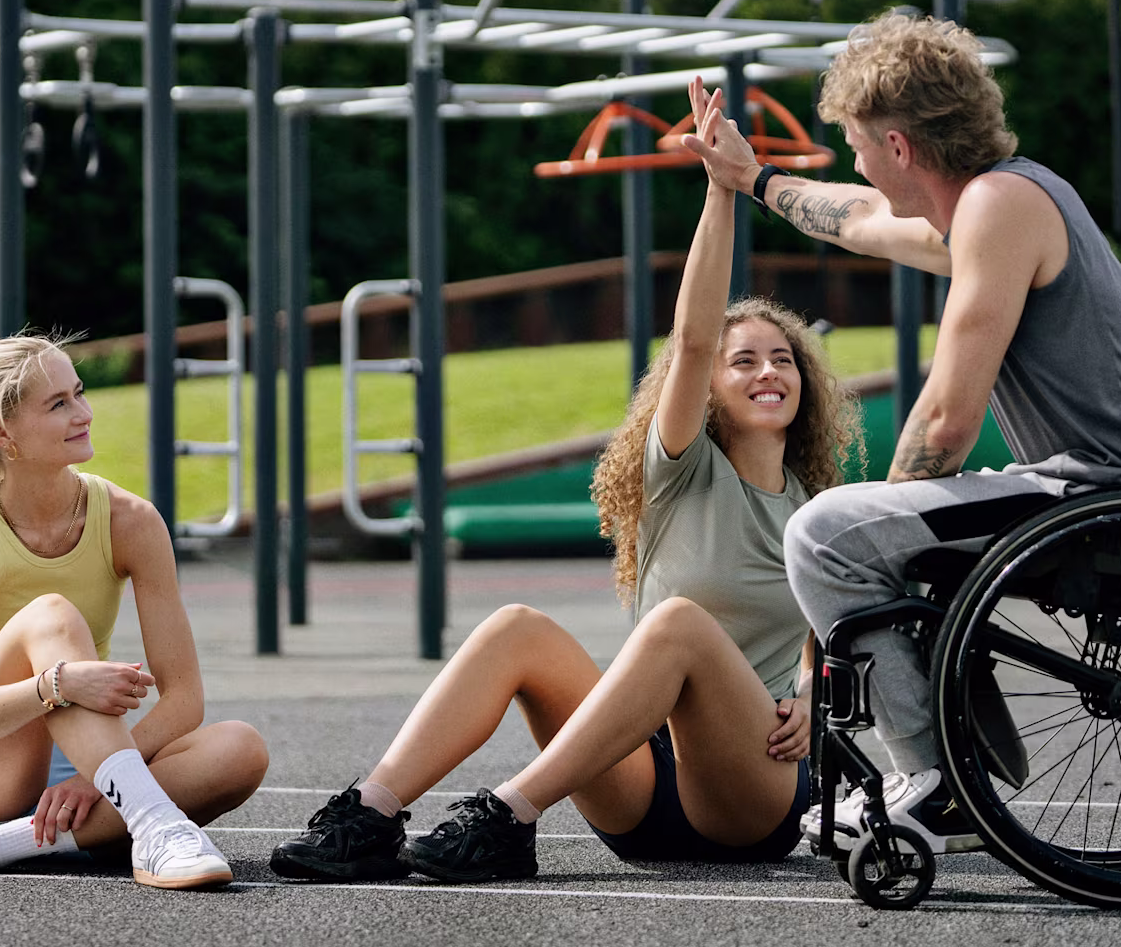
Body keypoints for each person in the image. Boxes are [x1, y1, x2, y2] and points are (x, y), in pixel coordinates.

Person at [269, 95, 862, 884]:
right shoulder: (682, 467)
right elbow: (690, 338)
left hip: (751, 793)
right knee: (517, 626)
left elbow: (843, 644)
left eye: (783, 359)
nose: (768, 372)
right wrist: (721, 188)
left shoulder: (812, 514)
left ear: (806, 384)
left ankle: (508, 813)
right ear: (710, 390)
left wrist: (807, 706)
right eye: (744, 360)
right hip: (640, 784)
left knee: (681, 625)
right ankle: (370, 814)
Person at [682, 9, 1121, 857]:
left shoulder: (999, 206)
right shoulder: (998, 201)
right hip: (1104, 478)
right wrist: (754, 176)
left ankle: (936, 780)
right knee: (859, 533)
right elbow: (852, 216)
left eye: (855, 141)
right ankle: (948, 761)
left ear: (899, 147)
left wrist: (869, 521)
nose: (855, 160)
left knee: (825, 533)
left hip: (1107, 489)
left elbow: (948, 418)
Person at [0, 332, 268, 887]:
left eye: (78, 393)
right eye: (58, 404)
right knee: (51, 616)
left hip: (98, 766)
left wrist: (99, 780)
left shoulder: (131, 521)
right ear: (0, 433)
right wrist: (58, 684)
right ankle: (153, 826)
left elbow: (184, 699)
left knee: (240, 749)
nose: (83, 413)